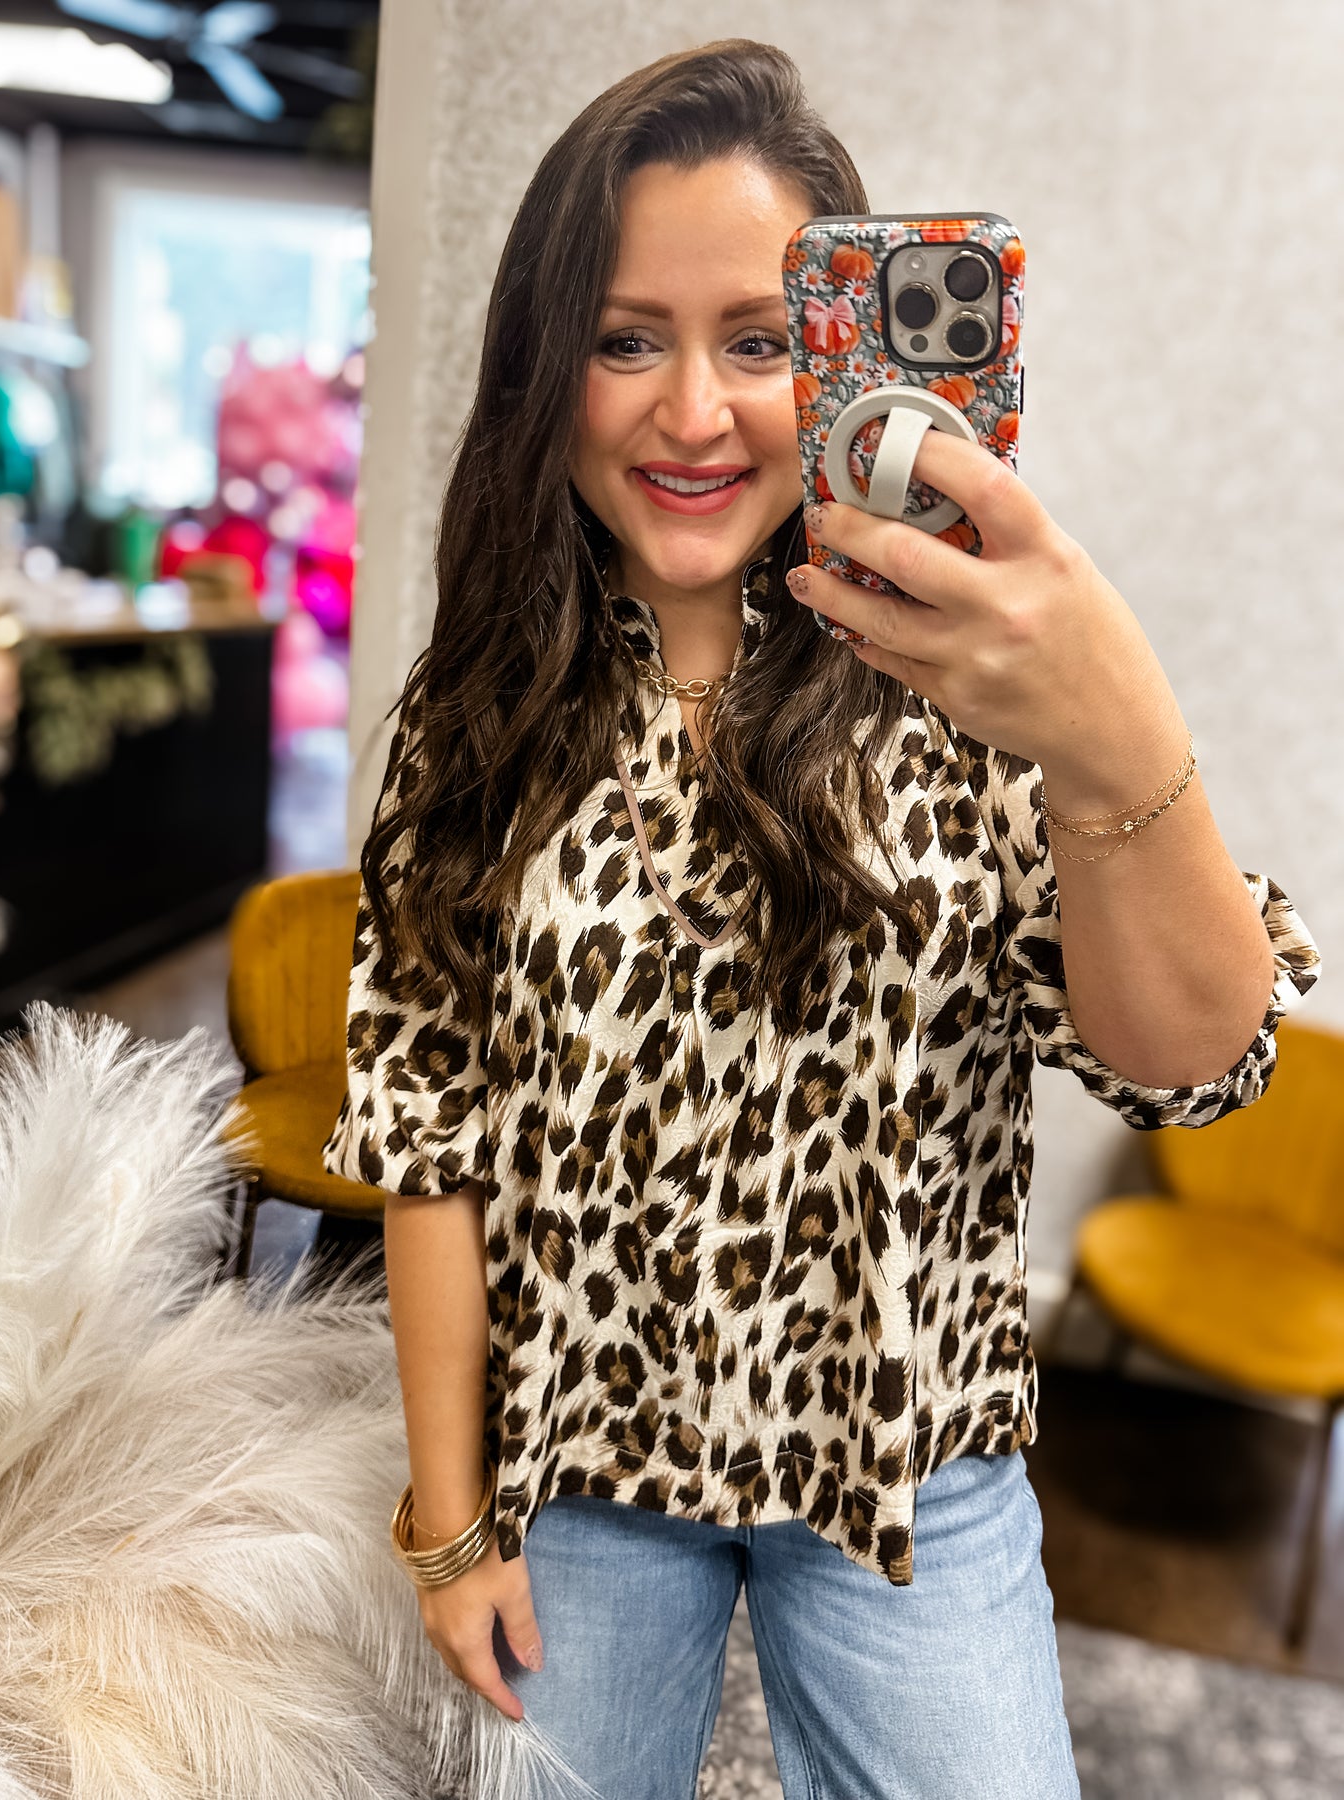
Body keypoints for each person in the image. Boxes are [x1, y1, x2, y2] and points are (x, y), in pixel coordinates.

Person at [323, 38, 1320, 1800]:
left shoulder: (972, 674)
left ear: (848, 356)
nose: (691, 414)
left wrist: (1113, 729)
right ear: (544, 369)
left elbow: (1190, 1067)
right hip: (584, 1464)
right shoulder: (481, 713)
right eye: (623, 339)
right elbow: (428, 1131)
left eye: (758, 342)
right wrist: (449, 1515)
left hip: (910, 1466)